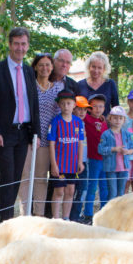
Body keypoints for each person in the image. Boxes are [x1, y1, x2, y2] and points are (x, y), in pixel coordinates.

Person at [0, 27, 40, 222]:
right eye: (16, 43)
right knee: (7, 177)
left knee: (17, 177)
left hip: (23, 132)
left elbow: (33, 102)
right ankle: (5, 221)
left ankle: (10, 221)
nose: (20, 48)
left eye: (23, 44)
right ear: (9, 45)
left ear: (27, 46)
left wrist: (37, 133)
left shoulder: (28, 71)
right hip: (3, 133)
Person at [18, 53, 64, 216]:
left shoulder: (58, 88)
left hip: (47, 141)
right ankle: (25, 214)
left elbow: (62, 115)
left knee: (40, 178)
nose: (45, 68)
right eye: (41, 64)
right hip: (29, 138)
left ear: (52, 68)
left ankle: (39, 215)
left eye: (48, 65)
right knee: (24, 176)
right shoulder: (28, 87)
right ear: (35, 67)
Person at [47, 90, 84, 219]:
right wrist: (53, 164)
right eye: (62, 103)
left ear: (74, 104)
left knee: (70, 191)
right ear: (59, 105)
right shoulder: (55, 122)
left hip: (72, 165)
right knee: (59, 191)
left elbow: (80, 143)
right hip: (60, 165)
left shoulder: (78, 122)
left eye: (69, 103)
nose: (66, 106)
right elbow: (51, 144)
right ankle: (56, 218)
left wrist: (80, 161)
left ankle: (66, 217)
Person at [82, 93, 109, 224]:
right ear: (89, 108)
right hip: (92, 159)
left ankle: (104, 213)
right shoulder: (86, 119)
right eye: (95, 106)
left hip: (104, 159)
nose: (98, 109)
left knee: (104, 187)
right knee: (92, 187)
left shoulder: (104, 122)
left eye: (101, 106)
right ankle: (88, 214)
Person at [98, 106, 133, 200]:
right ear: (110, 119)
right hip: (111, 169)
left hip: (124, 168)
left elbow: (132, 148)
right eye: (115, 118)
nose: (117, 120)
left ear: (124, 120)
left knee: (121, 193)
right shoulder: (106, 134)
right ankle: (111, 213)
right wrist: (114, 149)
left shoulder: (127, 134)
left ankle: (119, 213)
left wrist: (127, 151)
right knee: (112, 192)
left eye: (120, 118)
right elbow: (101, 149)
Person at [69, 96, 91, 222]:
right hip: (74, 163)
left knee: (82, 190)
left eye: (85, 109)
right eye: (79, 109)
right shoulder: (72, 123)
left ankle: (75, 216)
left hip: (84, 162)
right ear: (73, 109)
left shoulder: (82, 123)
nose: (82, 112)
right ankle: (72, 218)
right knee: (74, 191)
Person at [78, 51, 119, 117]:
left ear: (104, 69)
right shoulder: (80, 85)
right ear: (89, 67)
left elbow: (116, 108)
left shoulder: (110, 84)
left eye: (99, 68)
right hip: (85, 126)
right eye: (93, 67)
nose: (96, 71)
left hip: (105, 125)